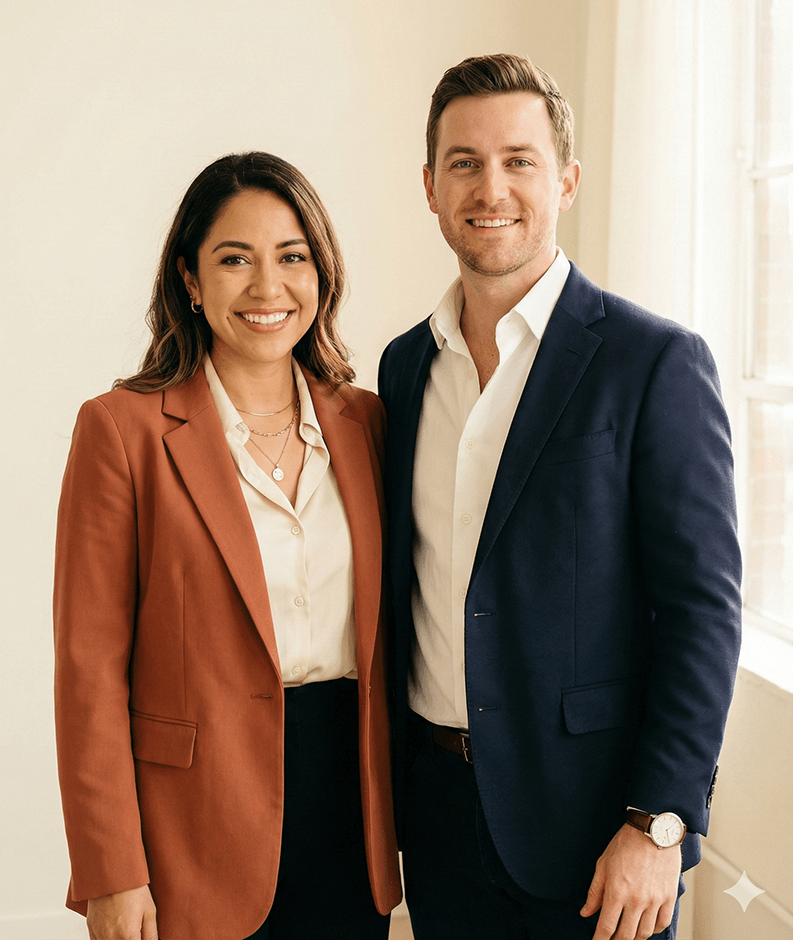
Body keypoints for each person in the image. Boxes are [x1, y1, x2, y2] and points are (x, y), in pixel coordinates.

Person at [378, 53, 742, 940]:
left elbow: (702, 610)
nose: (489, 186)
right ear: (429, 186)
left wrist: (658, 822)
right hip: (434, 817)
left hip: (596, 833)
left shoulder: (653, 362)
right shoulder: (402, 367)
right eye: (463, 162)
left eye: (519, 160)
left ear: (567, 179)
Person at [54, 151, 401, 940]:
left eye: (292, 258)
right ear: (189, 278)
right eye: (234, 259)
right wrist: (112, 870)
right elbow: (88, 672)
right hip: (194, 832)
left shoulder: (367, 424)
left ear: (323, 273)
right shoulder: (122, 432)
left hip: (348, 818)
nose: (267, 288)